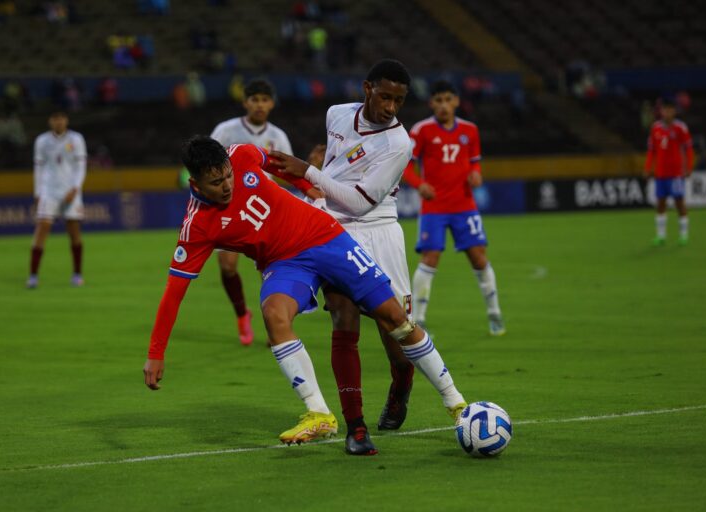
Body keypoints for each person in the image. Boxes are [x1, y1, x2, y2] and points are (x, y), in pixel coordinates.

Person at [143, 136, 469, 450]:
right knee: (274, 314)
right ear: (195, 184)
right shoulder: (197, 227)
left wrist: (309, 188)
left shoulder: (242, 154)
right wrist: (156, 353)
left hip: (323, 237)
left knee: (396, 319)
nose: (228, 185)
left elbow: (282, 164)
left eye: (228, 175)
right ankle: (319, 413)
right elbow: (174, 293)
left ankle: (456, 403)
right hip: (284, 264)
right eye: (216, 183)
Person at [270, 59, 419, 455]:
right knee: (342, 314)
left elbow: (360, 200)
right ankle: (356, 426)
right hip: (340, 232)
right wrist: (318, 187)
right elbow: (339, 171)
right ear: (367, 88)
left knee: (398, 336)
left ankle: (401, 384)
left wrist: (310, 172)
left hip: (380, 229)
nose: (390, 107)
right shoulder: (336, 114)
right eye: (385, 96)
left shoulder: (399, 144)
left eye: (399, 101)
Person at [402, 80, 505, 337]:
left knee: (479, 257)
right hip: (434, 207)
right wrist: (419, 184)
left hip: (464, 206)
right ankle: (418, 321)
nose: (444, 105)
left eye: (448, 100)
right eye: (438, 100)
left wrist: (476, 175)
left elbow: (475, 163)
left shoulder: (470, 131)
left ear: (456, 101)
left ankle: (494, 313)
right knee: (429, 260)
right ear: (431, 103)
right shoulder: (421, 131)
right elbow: (405, 167)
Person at [208, 79, 295, 346]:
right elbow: (207, 164)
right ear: (245, 102)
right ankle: (241, 314)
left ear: (271, 103)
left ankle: (274, 328)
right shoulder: (225, 131)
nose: (259, 104)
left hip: (265, 212)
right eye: (254, 99)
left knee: (269, 272)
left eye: (264, 100)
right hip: (231, 208)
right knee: (227, 266)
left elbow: (287, 171)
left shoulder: (278, 136)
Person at [27, 111, 87, 289]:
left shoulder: (76, 139)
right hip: (49, 190)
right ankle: (33, 276)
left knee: (74, 231)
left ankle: (77, 274)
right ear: (50, 121)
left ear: (66, 120)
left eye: (61, 118)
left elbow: (81, 166)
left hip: (70, 190)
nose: (58, 122)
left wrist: (75, 188)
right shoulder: (42, 141)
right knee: (42, 227)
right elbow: (38, 168)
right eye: (55, 119)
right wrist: (37, 192)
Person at [644, 97, 694, 246]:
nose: (667, 112)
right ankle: (661, 236)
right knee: (660, 203)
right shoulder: (655, 128)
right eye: (664, 110)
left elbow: (689, 149)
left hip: (676, 173)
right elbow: (651, 151)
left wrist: (689, 167)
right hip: (660, 173)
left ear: (674, 111)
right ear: (661, 111)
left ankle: (684, 234)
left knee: (679, 203)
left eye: (670, 110)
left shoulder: (680, 128)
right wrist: (648, 168)